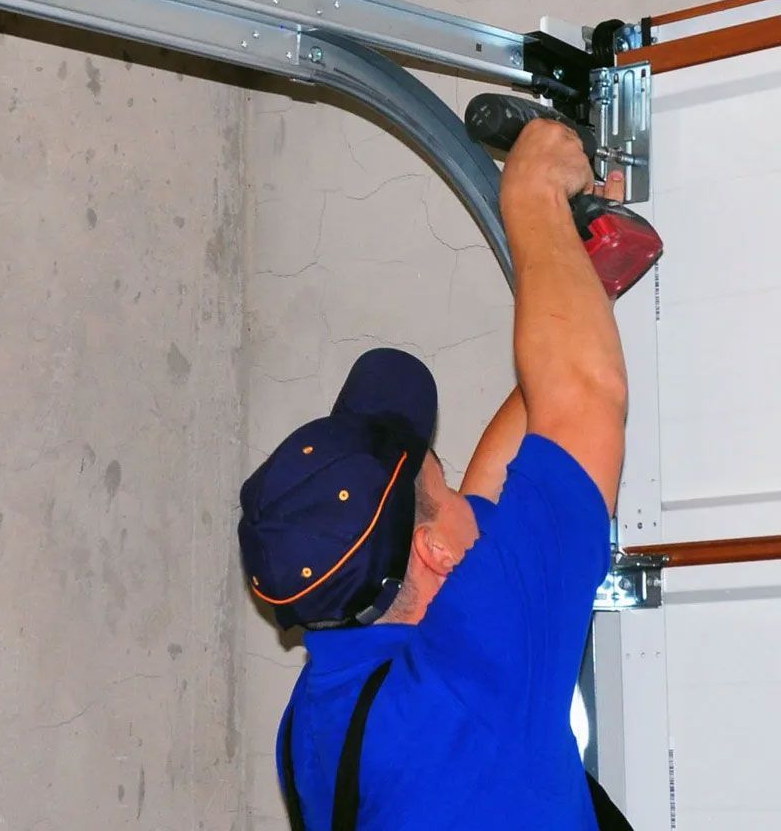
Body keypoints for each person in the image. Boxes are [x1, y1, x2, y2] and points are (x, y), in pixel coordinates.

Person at [237, 119, 632, 830]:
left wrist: (583, 291)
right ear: (432, 552)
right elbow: (583, 397)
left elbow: (519, 470)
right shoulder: (471, 678)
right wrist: (532, 196)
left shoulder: (318, 717)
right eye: (444, 488)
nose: (469, 499)